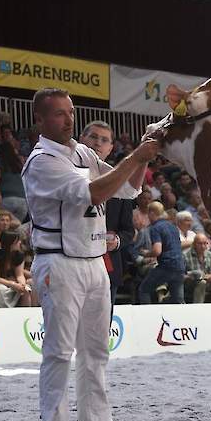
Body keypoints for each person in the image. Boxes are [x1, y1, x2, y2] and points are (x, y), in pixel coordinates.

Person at [22, 87, 157, 421]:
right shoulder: (41, 161)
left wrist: (145, 156)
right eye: (59, 114)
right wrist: (137, 154)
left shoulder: (82, 153)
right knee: (59, 352)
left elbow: (127, 189)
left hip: (94, 261)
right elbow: (95, 192)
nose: (68, 120)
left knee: (97, 352)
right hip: (59, 262)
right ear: (41, 121)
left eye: (70, 112)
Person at [79, 120, 135, 306]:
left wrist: (117, 240)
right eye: (93, 137)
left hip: (107, 264)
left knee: (101, 330)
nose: (98, 143)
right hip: (73, 263)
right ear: (81, 139)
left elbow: (128, 231)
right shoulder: (65, 174)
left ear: (111, 148)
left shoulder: (120, 183)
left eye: (104, 140)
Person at [138, 202, 185, 305]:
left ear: (152, 213)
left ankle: (146, 316)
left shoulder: (156, 228)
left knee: (144, 290)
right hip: (180, 265)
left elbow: (157, 250)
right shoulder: (173, 226)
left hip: (166, 266)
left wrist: (145, 253)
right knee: (178, 299)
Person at [0, 230, 33, 307]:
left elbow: (19, 275)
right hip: (0, 282)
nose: (20, 243)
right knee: (0, 289)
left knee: (26, 290)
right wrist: (12, 284)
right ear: (10, 243)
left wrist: (22, 285)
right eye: (17, 241)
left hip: (12, 281)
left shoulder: (18, 256)